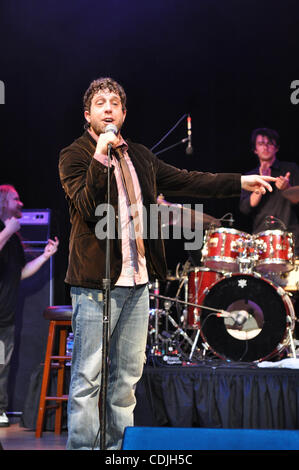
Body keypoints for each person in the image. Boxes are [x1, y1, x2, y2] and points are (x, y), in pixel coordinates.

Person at [58, 77, 276, 450]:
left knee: (126, 381)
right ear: (87, 114)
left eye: (114, 103)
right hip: (96, 284)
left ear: (124, 113)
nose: (108, 108)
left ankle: (117, 452)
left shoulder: (140, 155)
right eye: (100, 103)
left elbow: (190, 180)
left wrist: (242, 181)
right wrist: (100, 154)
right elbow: (87, 207)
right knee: (87, 379)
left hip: (138, 282)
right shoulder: (75, 155)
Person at [0, 184, 59, 427]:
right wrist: (6, 231)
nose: (21, 203)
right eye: (16, 199)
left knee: (1, 367)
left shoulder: (14, 239)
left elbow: (20, 274)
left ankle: (0, 410)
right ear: (3, 202)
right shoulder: (7, 234)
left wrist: (45, 256)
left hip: (5, 318)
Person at [240, 128, 299, 257]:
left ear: (276, 148)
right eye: (261, 144)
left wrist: (287, 188)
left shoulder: (290, 169)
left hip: (290, 237)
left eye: (269, 143)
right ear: (255, 150)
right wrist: (260, 184)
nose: (265, 147)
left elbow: (297, 198)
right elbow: (246, 208)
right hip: (261, 239)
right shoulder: (250, 176)